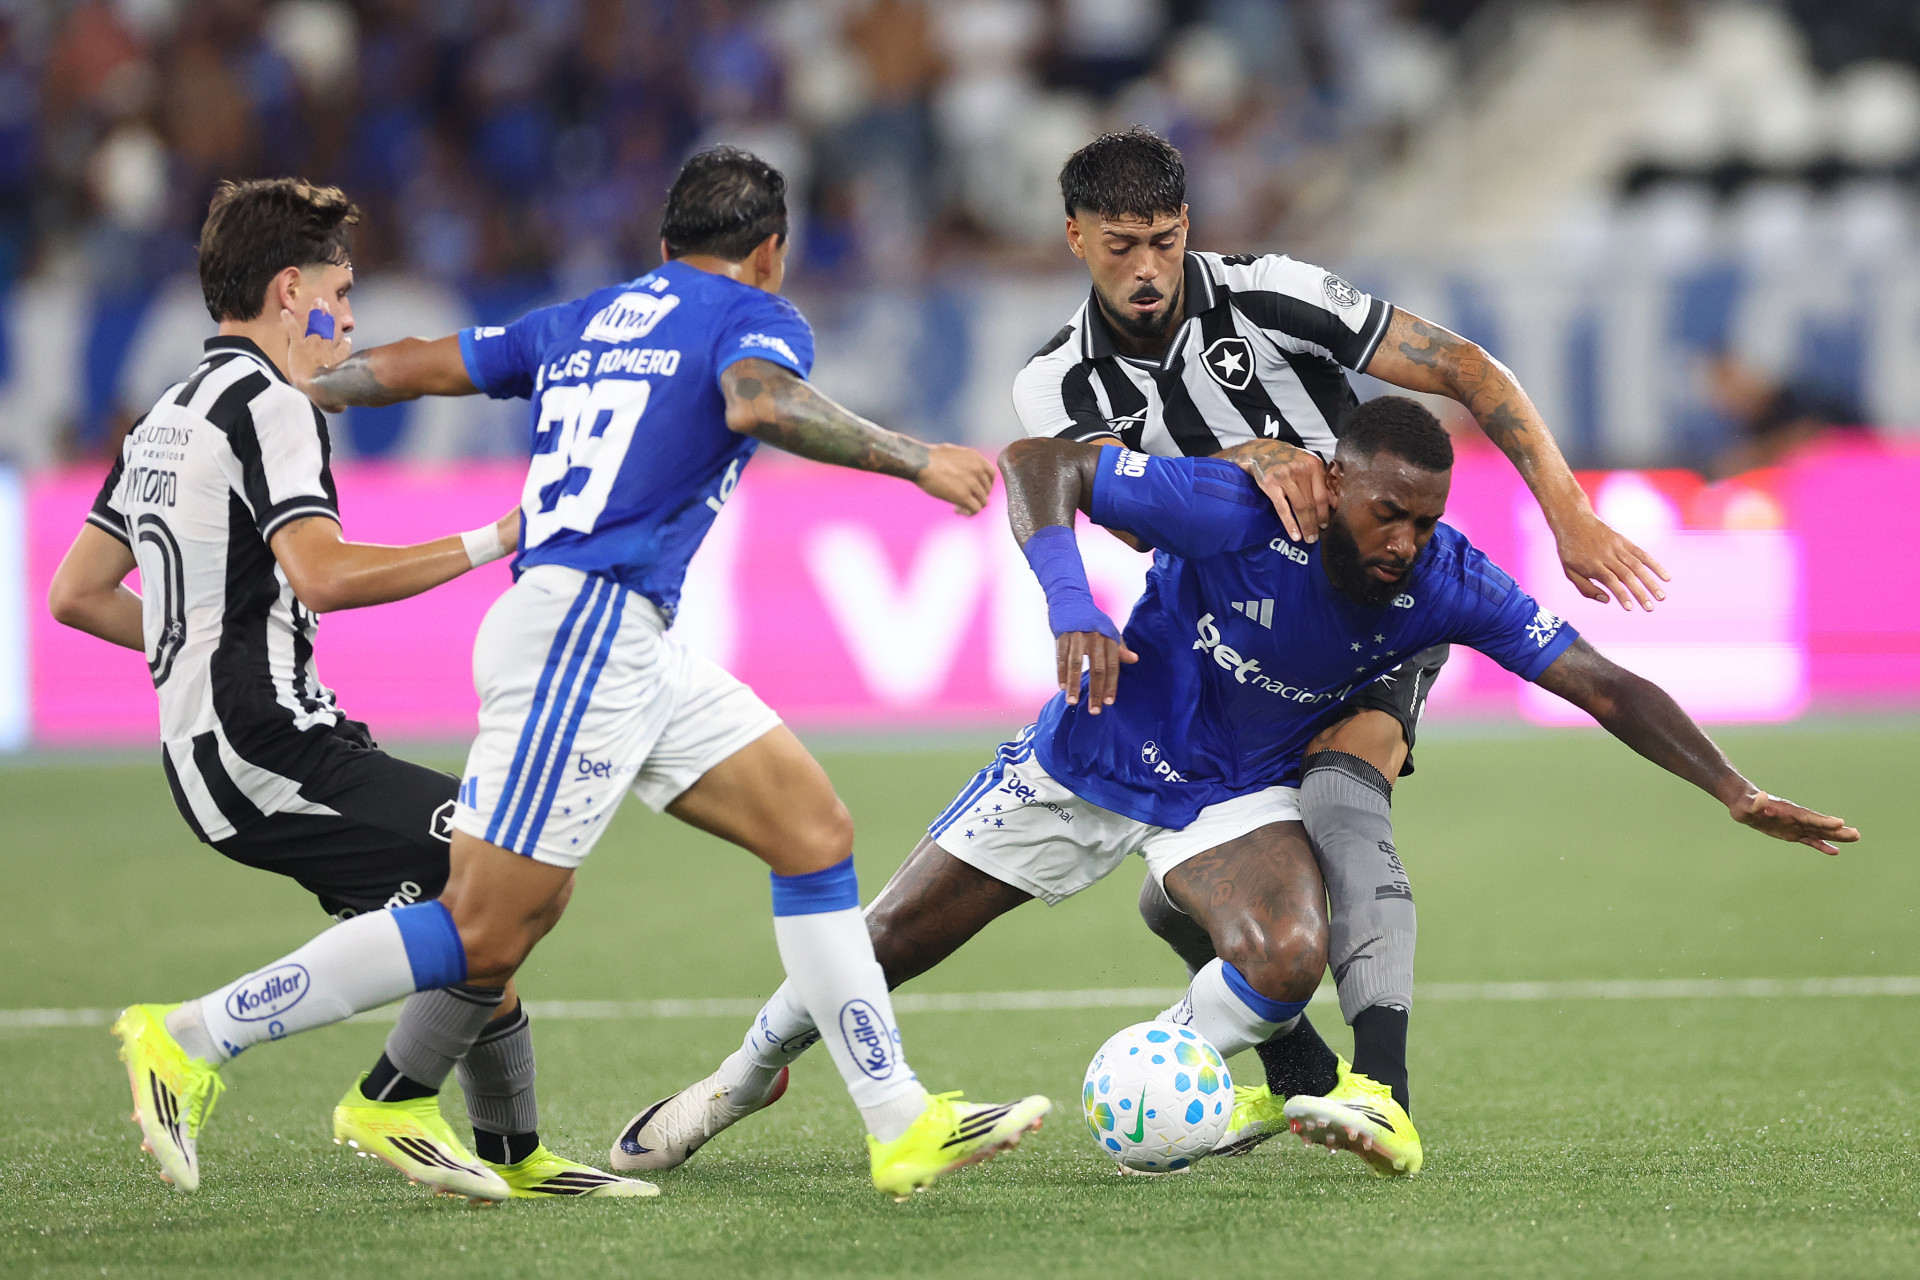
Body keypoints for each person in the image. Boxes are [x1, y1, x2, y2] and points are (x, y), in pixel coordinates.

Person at [108, 147, 1051, 1205]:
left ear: (662, 246)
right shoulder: (758, 317)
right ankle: (194, 1035)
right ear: (770, 252)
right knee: (488, 925)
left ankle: (898, 1118)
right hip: (585, 632)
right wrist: (913, 456)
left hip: (633, 637)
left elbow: (417, 362)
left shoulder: (591, 317)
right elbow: (754, 401)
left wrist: (310, 383)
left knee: (812, 830)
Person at [621, 396, 1854, 1178]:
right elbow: (1039, 458)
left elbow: (1601, 680)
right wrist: (1071, 605)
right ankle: (741, 1077)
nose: (1402, 543)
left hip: (1230, 794)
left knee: (1287, 950)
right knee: (878, 942)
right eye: (1383, 514)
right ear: (1333, 483)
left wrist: (1733, 788)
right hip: (1092, 750)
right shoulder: (1231, 506)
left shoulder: (1448, 580)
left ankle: (1172, 1073)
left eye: (1424, 522)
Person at [1013, 126, 1673, 1141]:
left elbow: (1460, 363)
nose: (1146, 269)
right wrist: (1244, 454)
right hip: (1231, 621)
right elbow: (1104, 490)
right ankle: (1293, 1063)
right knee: (1190, 892)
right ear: (1074, 238)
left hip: (1374, 593)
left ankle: (1384, 1092)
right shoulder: (1056, 381)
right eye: (1119, 245)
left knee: (1342, 790)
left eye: (1164, 240)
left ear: (1187, 227)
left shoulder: (1271, 292)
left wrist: (1566, 506)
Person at [52, 178, 645, 1199]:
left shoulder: (165, 412)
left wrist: (199, 642)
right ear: (291, 289)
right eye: (343, 287)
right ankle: (202, 1039)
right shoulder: (272, 403)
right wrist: (494, 537)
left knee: (485, 898)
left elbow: (76, 592)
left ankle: (515, 1151)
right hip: (265, 738)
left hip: (222, 740)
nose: (353, 315)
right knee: (512, 874)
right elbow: (321, 573)